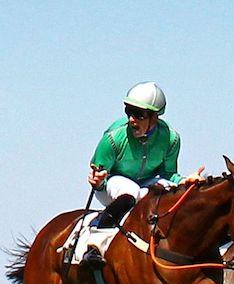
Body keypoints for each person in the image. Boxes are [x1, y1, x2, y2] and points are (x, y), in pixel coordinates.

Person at [82, 82, 201, 267]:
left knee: (173, 191)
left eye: (139, 114)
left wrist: (185, 181)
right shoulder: (113, 138)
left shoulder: (171, 139)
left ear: (155, 117)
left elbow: (168, 175)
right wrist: (97, 182)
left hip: (147, 183)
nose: (132, 119)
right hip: (113, 184)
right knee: (131, 191)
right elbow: (100, 179)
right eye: (128, 111)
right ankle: (94, 244)